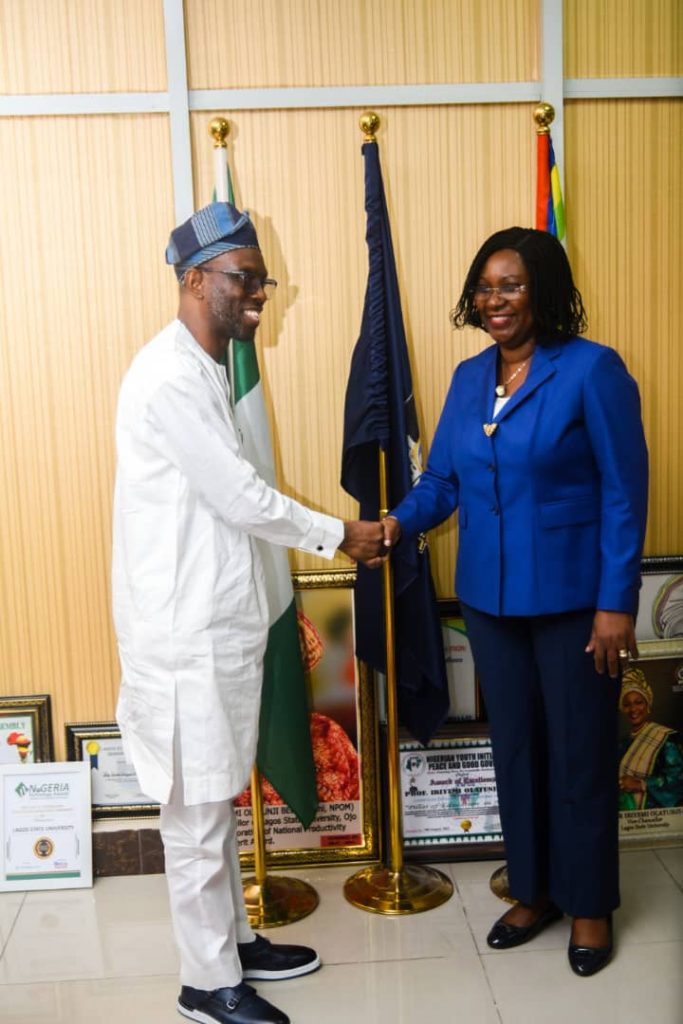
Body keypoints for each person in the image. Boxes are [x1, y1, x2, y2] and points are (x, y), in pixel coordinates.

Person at [112, 201, 385, 1024]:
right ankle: (205, 984)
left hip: (219, 631)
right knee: (194, 816)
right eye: (244, 278)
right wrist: (343, 534)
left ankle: (233, 943)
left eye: (263, 279)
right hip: (183, 639)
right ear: (193, 279)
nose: (258, 294)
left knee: (217, 801)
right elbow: (239, 498)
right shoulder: (168, 376)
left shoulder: (206, 368)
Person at [382, 227, 648, 977]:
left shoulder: (591, 371)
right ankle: (532, 890)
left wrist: (615, 604)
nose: (494, 299)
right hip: (491, 602)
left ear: (545, 291)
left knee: (580, 754)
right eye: (485, 287)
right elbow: (443, 480)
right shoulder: (468, 378)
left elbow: (624, 494)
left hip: (573, 604)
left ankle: (588, 902)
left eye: (511, 285)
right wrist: (399, 521)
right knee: (517, 750)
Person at [618, 667, 683, 810]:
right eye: (627, 704)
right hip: (626, 821)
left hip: (657, 821)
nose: (633, 709)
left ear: (648, 705)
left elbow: (678, 780)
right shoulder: (621, 745)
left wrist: (640, 784)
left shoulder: (666, 739)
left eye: (639, 702)